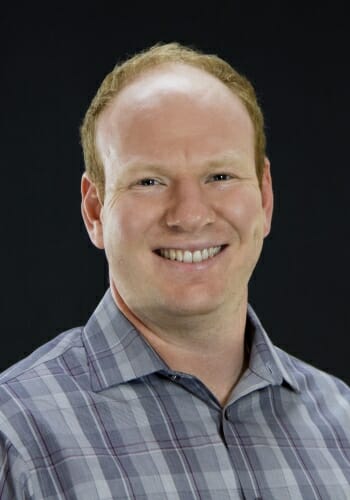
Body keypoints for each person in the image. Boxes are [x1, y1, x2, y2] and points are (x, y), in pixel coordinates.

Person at [0, 42, 349, 499]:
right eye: (149, 181)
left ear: (264, 198)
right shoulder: (17, 437)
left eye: (219, 176)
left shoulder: (341, 425)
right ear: (94, 210)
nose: (189, 214)